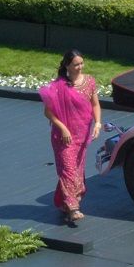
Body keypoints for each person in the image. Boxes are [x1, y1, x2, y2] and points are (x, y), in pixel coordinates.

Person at [39, 50, 101, 226]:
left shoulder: (89, 82)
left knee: (77, 170)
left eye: (82, 63)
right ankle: (73, 208)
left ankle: (63, 203)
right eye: (76, 64)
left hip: (83, 134)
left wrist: (97, 123)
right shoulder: (58, 87)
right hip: (63, 137)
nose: (80, 67)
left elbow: (95, 104)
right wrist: (63, 128)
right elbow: (48, 112)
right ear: (67, 66)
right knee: (68, 170)